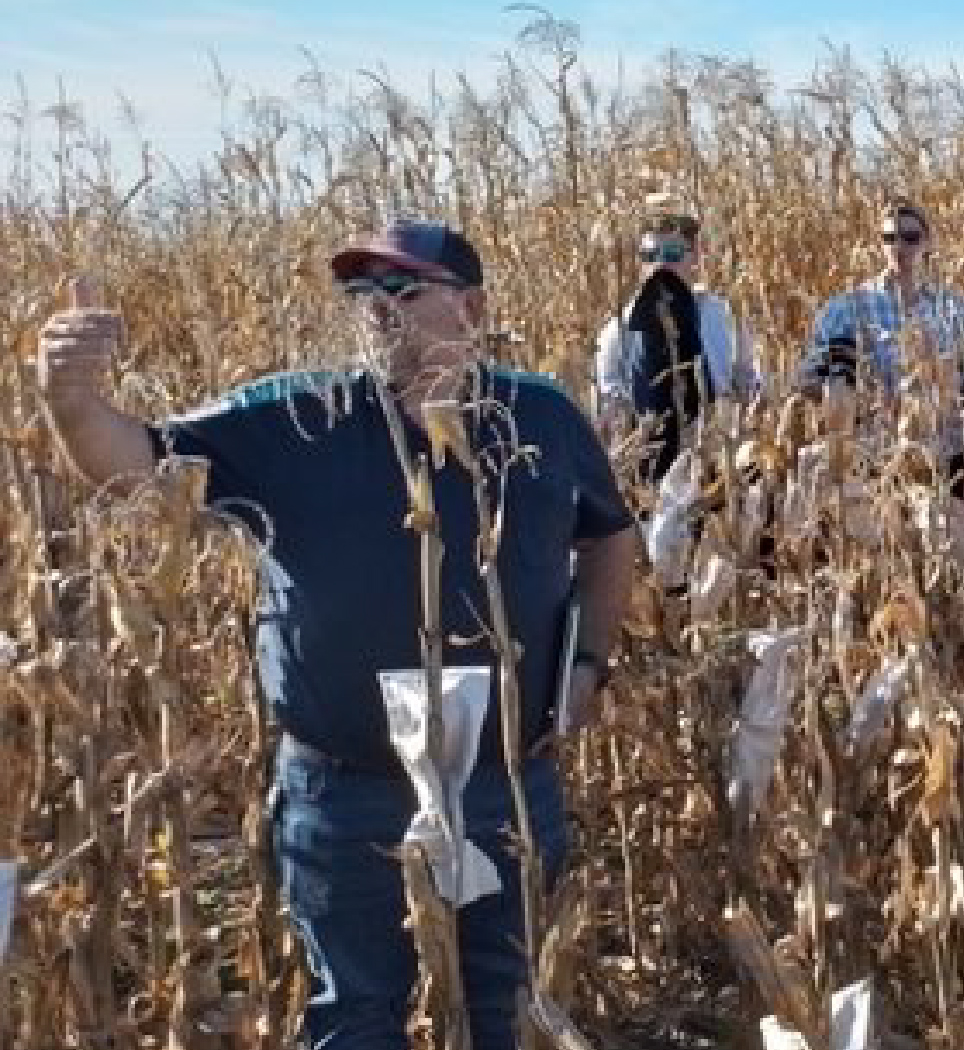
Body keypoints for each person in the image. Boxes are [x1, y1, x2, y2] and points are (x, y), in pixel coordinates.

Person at [36, 220, 639, 1050]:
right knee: (355, 1016)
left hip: (507, 780)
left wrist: (586, 665)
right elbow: (135, 464)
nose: (378, 312)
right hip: (347, 795)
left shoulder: (539, 416)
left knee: (511, 1010)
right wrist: (70, 401)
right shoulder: (294, 419)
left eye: (405, 292)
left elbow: (609, 535)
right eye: (363, 295)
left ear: (471, 306)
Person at [798, 202, 964, 503]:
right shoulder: (847, 308)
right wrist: (853, 399)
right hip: (875, 456)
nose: (899, 247)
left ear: (928, 242)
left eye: (910, 238)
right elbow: (809, 380)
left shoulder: (954, 310)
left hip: (943, 457)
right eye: (889, 238)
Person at [593, 208, 760, 479]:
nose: (660, 265)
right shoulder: (619, 329)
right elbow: (611, 409)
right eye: (649, 256)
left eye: (671, 255)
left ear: (695, 255)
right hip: (649, 463)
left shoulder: (724, 318)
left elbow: (748, 385)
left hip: (714, 463)